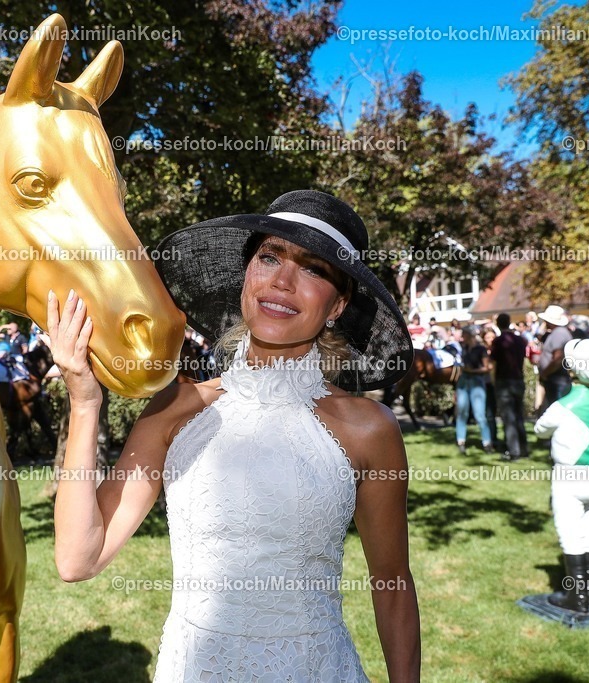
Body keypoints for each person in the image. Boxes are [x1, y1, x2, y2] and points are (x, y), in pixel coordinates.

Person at [52, 190, 420, 681]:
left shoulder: (370, 429)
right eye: (269, 257)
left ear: (338, 304)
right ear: (246, 274)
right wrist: (84, 404)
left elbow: (392, 584)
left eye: (314, 269)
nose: (282, 281)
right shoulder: (174, 410)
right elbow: (77, 559)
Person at [534, 339, 589, 612]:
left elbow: (540, 429)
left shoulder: (564, 406)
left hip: (568, 477)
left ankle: (576, 598)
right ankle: (588, 594)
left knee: (569, 534)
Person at [492, 313, 530, 460]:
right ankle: (523, 448)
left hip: (504, 381)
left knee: (508, 417)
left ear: (498, 324)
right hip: (518, 379)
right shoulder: (520, 340)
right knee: (519, 415)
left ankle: (513, 450)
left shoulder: (499, 341)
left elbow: (494, 361)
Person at [455, 326, 493, 455]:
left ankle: (487, 442)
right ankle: (461, 441)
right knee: (462, 412)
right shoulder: (464, 348)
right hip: (464, 381)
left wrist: (472, 371)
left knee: (479, 414)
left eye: (464, 334)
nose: (462, 337)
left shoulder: (481, 349)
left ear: (470, 335)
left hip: (477, 382)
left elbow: (486, 368)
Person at [538, 305, 574, 411]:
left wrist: (545, 373)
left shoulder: (558, 333)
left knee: (557, 409)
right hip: (556, 378)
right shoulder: (559, 332)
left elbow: (558, 358)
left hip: (556, 378)